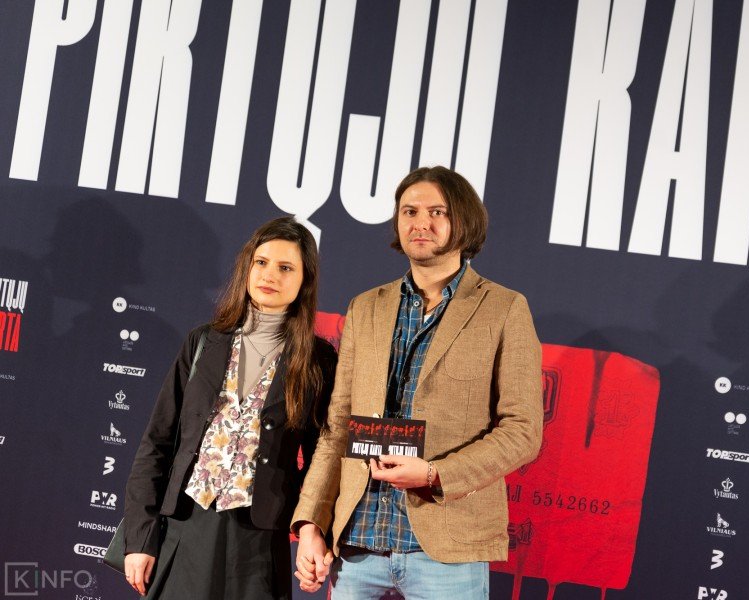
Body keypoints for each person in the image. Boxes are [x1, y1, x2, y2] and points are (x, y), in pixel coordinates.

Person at [292, 166, 543, 598]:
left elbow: (523, 431)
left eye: (436, 212)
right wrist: (313, 522)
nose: (420, 222)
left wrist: (434, 473)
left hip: (447, 550)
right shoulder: (366, 307)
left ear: (464, 222)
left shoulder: (504, 309)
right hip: (357, 542)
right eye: (409, 211)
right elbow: (338, 427)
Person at [122, 217, 336, 598]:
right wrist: (140, 538)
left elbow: (324, 458)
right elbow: (157, 442)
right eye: (261, 262)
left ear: (305, 281)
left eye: (285, 268)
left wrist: (314, 530)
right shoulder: (204, 342)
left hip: (258, 545)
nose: (270, 275)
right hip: (184, 527)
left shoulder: (317, 361)